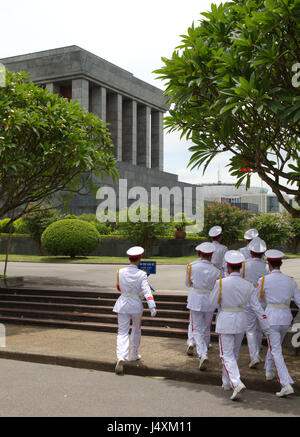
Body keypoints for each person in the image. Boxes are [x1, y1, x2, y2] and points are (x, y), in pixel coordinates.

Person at [209, 250, 270, 401]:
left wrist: (221, 304)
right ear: (240, 268)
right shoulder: (248, 285)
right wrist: (266, 326)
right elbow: (257, 307)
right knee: (233, 354)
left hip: (226, 319)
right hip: (241, 319)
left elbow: (212, 303)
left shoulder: (221, 283)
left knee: (225, 355)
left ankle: (236, 382)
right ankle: (226, 382)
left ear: (228, 267)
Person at [257, 249, 300, 397]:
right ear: (280, 263)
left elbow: (259, 300)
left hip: (271, 317)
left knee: (276, 350)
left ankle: (286, 383)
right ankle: (269, 371)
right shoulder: (290, 280)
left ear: (268, 264)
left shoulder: (263, 280)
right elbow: (299, 301)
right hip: (285, 317)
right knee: (275, 346)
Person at [113, 246, 157, 375]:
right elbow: (147, 291)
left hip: (122, 303)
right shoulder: (141, 274)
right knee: (136, 329)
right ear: (139, 259)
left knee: (122, 331)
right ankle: (133, 354)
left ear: (129, 258)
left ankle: (121, 356)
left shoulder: (120, 272)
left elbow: (118, 288)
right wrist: (152, 305)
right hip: (135, 304)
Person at [185, 242, 220, 369]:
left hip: (196, 298)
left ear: (200, 253)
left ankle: (203, 353)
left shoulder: (191, 266)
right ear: (211, 255)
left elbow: (188, 283)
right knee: (206, 327)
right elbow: (218, 287)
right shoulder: (216, 269)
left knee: (196, 328)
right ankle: (203, 350)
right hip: (210, 299)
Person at [241, 237, 269, 368]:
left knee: (250, 329)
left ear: (250, 252)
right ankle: (257, 352)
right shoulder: (267, 266)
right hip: (263, 301)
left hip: (248, 301)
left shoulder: (244, 265)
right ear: (263, 252)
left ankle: (255, 355)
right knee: (259, 329)